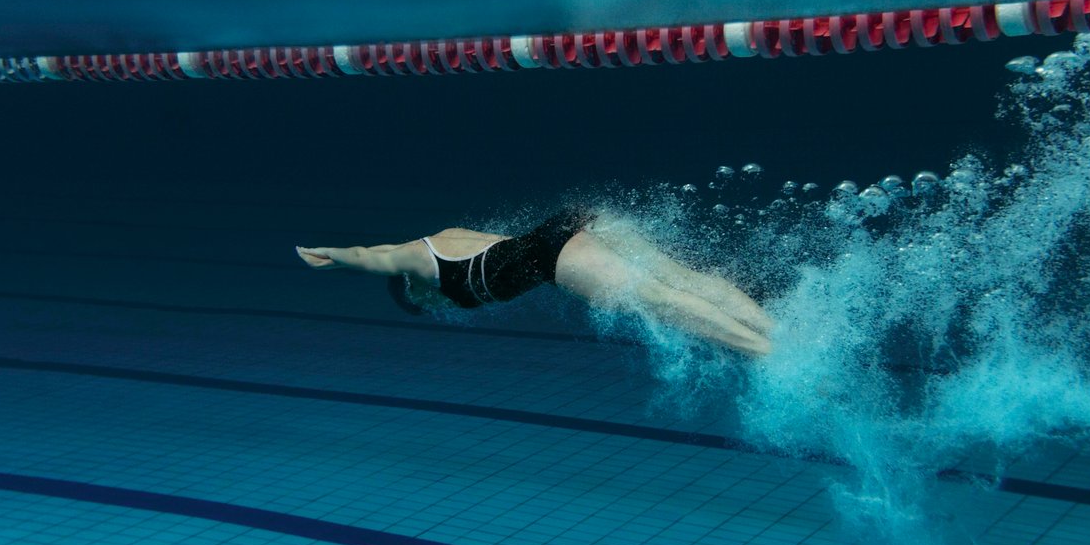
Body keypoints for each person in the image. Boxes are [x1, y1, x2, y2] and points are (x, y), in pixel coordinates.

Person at [296, 207, 775, 356]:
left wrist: (330, 258)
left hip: (559, 255)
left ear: (414, 290)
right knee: (683, 281)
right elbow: (382, 251)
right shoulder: (438, 241)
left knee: (661, 301)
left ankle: (767, 353)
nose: (437, 308)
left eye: (427, 305)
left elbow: (371, 256)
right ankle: (774, 329)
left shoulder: (423, 264)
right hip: (573, 226)